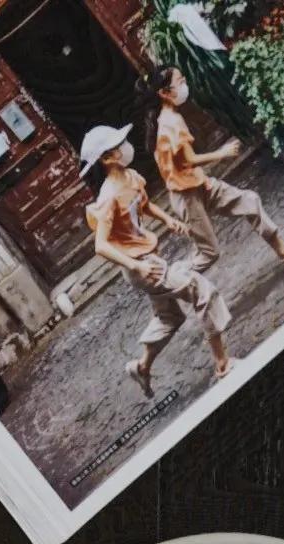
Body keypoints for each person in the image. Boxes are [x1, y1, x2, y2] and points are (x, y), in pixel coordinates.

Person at [79, 122, 234, 397]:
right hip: (141, 266)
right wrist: (136, 265)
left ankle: (141, 367)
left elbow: (144, 204)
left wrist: (167, 219)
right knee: (200, 290)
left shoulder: (131, 177)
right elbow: (100, 245)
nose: (126, 147)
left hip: (149, 257)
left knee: (169, 317)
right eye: (119, 145)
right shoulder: (108, 197)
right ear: (106, 158)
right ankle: (223, 364)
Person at [140, 65, 284, 275]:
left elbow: (183, 164)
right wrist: (222, 152)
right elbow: (190, 159)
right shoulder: (170, 123)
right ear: (164, 93)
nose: (185, 85)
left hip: (198, 184)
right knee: (209, 253)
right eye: (180, 82)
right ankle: (173, 278)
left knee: (250, 201)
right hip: (186, 197)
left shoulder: (169, 118)